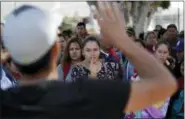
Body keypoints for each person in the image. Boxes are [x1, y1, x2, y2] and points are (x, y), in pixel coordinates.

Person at [1, 2, 177, 119]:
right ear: (57, 49)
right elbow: (164, 84)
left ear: (10, 59)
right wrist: (122, 40)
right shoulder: (86, 95)